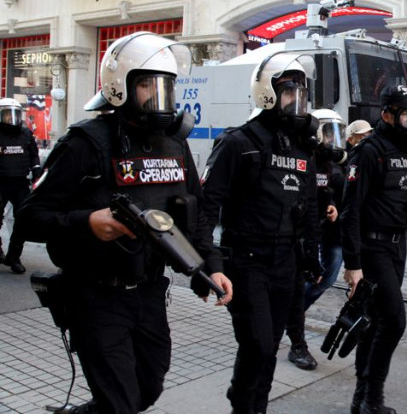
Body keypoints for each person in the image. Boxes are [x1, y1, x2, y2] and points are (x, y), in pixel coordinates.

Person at [16, 32, 233, 414]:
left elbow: (195, 212)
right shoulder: (86, 142)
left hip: (149, 291)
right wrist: (87, 222)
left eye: (166, 87)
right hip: (96, 295)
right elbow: (29, 217)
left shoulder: (174, 144)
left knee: (148, 389)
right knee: (121, 403)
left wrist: (212, 266)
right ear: (121, 86)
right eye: (148, 85)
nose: (158, 96)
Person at [200, 53, 321, 414]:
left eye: (300, 92)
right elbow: (207, 206)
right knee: (257, 344)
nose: (295, 100)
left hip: (286, 262)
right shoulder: (238, 143)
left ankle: (257, 407)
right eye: (288, 91)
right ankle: (242, 403)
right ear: (267, 92)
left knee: (270, 347)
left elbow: (310, 206)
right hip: (246, 260)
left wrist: (311, 255)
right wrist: (209, 263)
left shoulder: (302, 149)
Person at [341, 84, 407, 414]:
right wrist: (353, 264)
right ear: (386, 115)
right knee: (394, 321)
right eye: (404, 113)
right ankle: (373, 398)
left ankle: (360, 399)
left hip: (397, 249)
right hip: (372, 248)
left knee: (373, 322)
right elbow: (350, 210)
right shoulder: (370, 151)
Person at [285, 108, 347, 371]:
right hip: (301, 233)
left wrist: (331, 205)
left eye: (336, 133)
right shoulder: (303, 155)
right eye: (328, 132)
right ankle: (297, 341)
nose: (332, 139)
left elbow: (326, 190)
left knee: (326, 278)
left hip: (322, 230)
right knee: (298, 285)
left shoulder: (330, 164)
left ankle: (293, 315)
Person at [0, 97, 40, 273]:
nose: (11, 118)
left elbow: (34, 155)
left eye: (14, 114)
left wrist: (37, 171)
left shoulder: (26, 134)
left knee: (23, 220)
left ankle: (14, 256)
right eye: (7, 114)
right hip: (0, 182)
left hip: (20, 183)